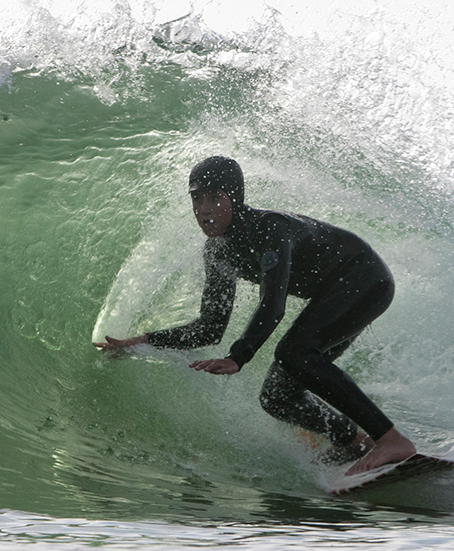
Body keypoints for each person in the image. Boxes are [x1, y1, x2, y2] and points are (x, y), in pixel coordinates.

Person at [95, 156, 416, 475]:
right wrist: (143, 341)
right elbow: (209, 328)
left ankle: (389, 439)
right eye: (196, 199)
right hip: (334, 293)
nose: (203, 210)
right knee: (276, 397)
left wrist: (240, 356)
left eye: (214, 198)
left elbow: (272, 305)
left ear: (234, 197)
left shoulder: (270, 229)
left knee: (295, 353)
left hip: (366, 278)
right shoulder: (218, 251)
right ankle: (352, 441)